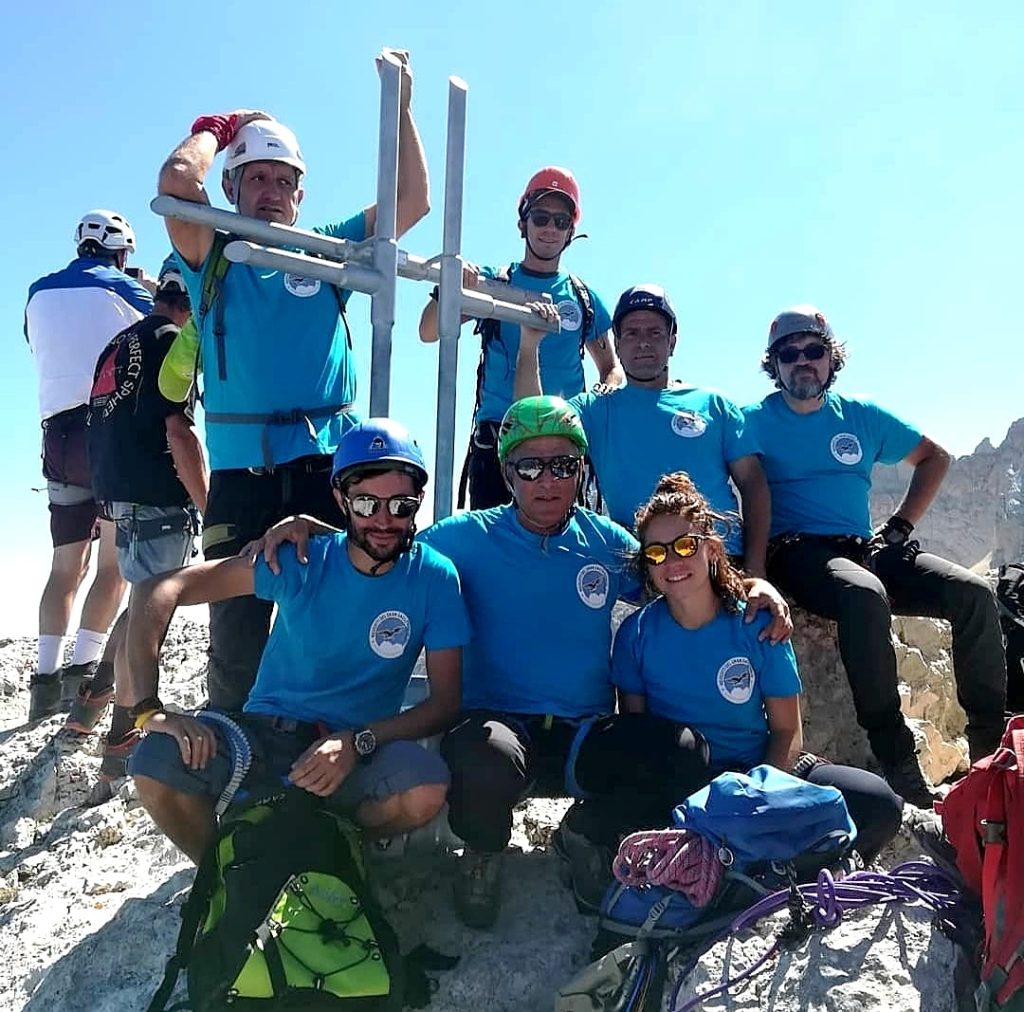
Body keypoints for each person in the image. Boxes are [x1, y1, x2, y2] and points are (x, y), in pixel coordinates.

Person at [249, 396, 791, 929]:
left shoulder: (607, 544)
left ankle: (586, 833)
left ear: (581, 469)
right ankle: (483, 852)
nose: (547, 480)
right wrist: (311, 526)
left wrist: (753, 585)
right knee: (483, 755)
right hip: (500, 729)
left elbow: (676, 569)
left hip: (583, 735)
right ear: (508, 472)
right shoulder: (464, 538)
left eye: (563, 465)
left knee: (678, 750)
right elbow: (383, 539)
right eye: (530, 466)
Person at [158, 50, 430, 711]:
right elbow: (174, 181)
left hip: (325, 466)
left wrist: (401, 106)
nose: (272, 191)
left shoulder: (326, 249)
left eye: (284, 180)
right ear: (233, 188)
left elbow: (413, 201)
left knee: (337, 617)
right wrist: (221, 128)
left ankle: (326, 759)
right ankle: (235, 768)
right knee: (237, 636)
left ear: (300, 193)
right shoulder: (212, 253)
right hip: (241, 479)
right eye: (257, 178)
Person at [125, 420, 468, 865]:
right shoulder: (300, 559)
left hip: (356, 750)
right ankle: (227, 876)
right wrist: (151, 710)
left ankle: (338, 855)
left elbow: (444, 703)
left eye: (400, 505)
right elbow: (157, 589)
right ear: (342, 499)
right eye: (366, 503)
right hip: (263, 738)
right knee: (155, 760)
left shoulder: (435, 578)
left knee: (424, 787)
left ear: (418, 502)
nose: (383, 520)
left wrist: (357, 741)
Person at [742, 305, 1007, 806]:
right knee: (865, 595)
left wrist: (902, 525)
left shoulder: (860, 416)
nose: (803, 361)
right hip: (796, 551)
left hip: (862, 547)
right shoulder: (752, 422)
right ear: (773, 364)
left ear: (831, 358)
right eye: (789, 353)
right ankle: (897, 757)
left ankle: (988, 753)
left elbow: (935, 456)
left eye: (814, 351)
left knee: (974, 593)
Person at [608, 471, 903, 869]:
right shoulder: (636, 634)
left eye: (685, 546)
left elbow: (786, 731)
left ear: (712, 549)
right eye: (657, 553)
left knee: (879, 804)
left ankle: (779, 869)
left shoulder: (757, 621)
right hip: (687, 781)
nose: (672, 561)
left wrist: (756, 795)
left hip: (765, 768)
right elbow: (639, 734)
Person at [66, 258, 208, 782]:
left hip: (116, 496)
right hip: (155, 497)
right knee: (150, 615)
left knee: (136, 603)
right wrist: (209, 507)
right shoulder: (174, 341)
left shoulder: (120, 342)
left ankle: (96, 693)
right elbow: (178, 431)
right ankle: (120, 744)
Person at [515, 284, 770, 574]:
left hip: (719, 560)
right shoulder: (597, 408)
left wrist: (756, 567)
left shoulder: (715, 405)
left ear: (672, 342)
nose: (643, 343)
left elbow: (754, 485)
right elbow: (529, 423)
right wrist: (529, 344)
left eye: (655, 333)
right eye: (632, 333)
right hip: (644, 562)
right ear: (618, 343)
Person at [418, 167, 623, 509]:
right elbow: (427, 331)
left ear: (571, 231)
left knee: (564, 554)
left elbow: (611, 368)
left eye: (561, 221)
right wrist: (454, 289)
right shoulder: (493, 283)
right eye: (541, 217)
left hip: (563, 445)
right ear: (523, 222)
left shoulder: (583, 297)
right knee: (492, 555)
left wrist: (601, 399)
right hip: (498, 444)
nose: (550, 229)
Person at [24, 209, 153, 720]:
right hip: (107, 433)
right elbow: (167, 323)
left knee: (63, 567)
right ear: (123, 252)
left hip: (56, 437)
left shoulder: (38, 291)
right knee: (112, 564)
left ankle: (45, 680)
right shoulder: (126, 291)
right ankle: (84, 671)